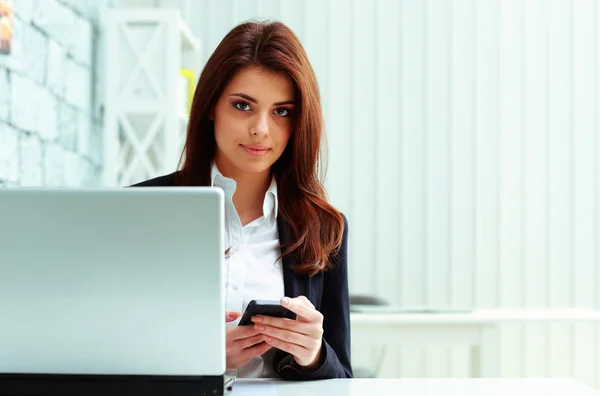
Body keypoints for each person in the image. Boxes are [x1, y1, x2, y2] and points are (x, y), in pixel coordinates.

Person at [132, 20, 352, 380]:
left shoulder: (325, 229)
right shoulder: (142, 210)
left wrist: (313, 354)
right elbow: (107, 354)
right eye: (242, 105)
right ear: (210, 107)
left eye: (281, 111)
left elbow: (342, 377)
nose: (260, 129)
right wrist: (197, 355)